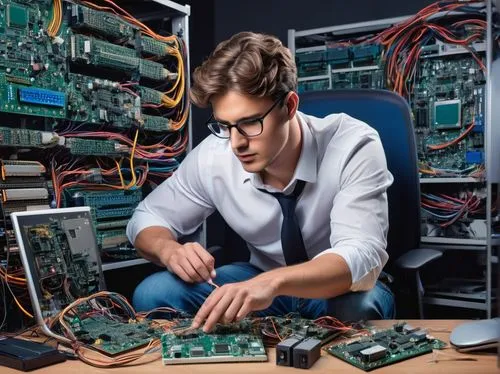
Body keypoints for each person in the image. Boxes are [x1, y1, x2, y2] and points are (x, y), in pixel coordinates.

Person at [126, 31, 395, 332]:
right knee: (154, 293)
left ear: (290, 106)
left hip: (336, 288)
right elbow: (147, 217)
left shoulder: (353, 145)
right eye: (225, 125)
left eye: (250, 122)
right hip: (257, 279)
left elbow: (361, 254)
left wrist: (273, 283)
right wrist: (169, 249)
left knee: (360, 309)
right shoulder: (216, 155)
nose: (236, 143)